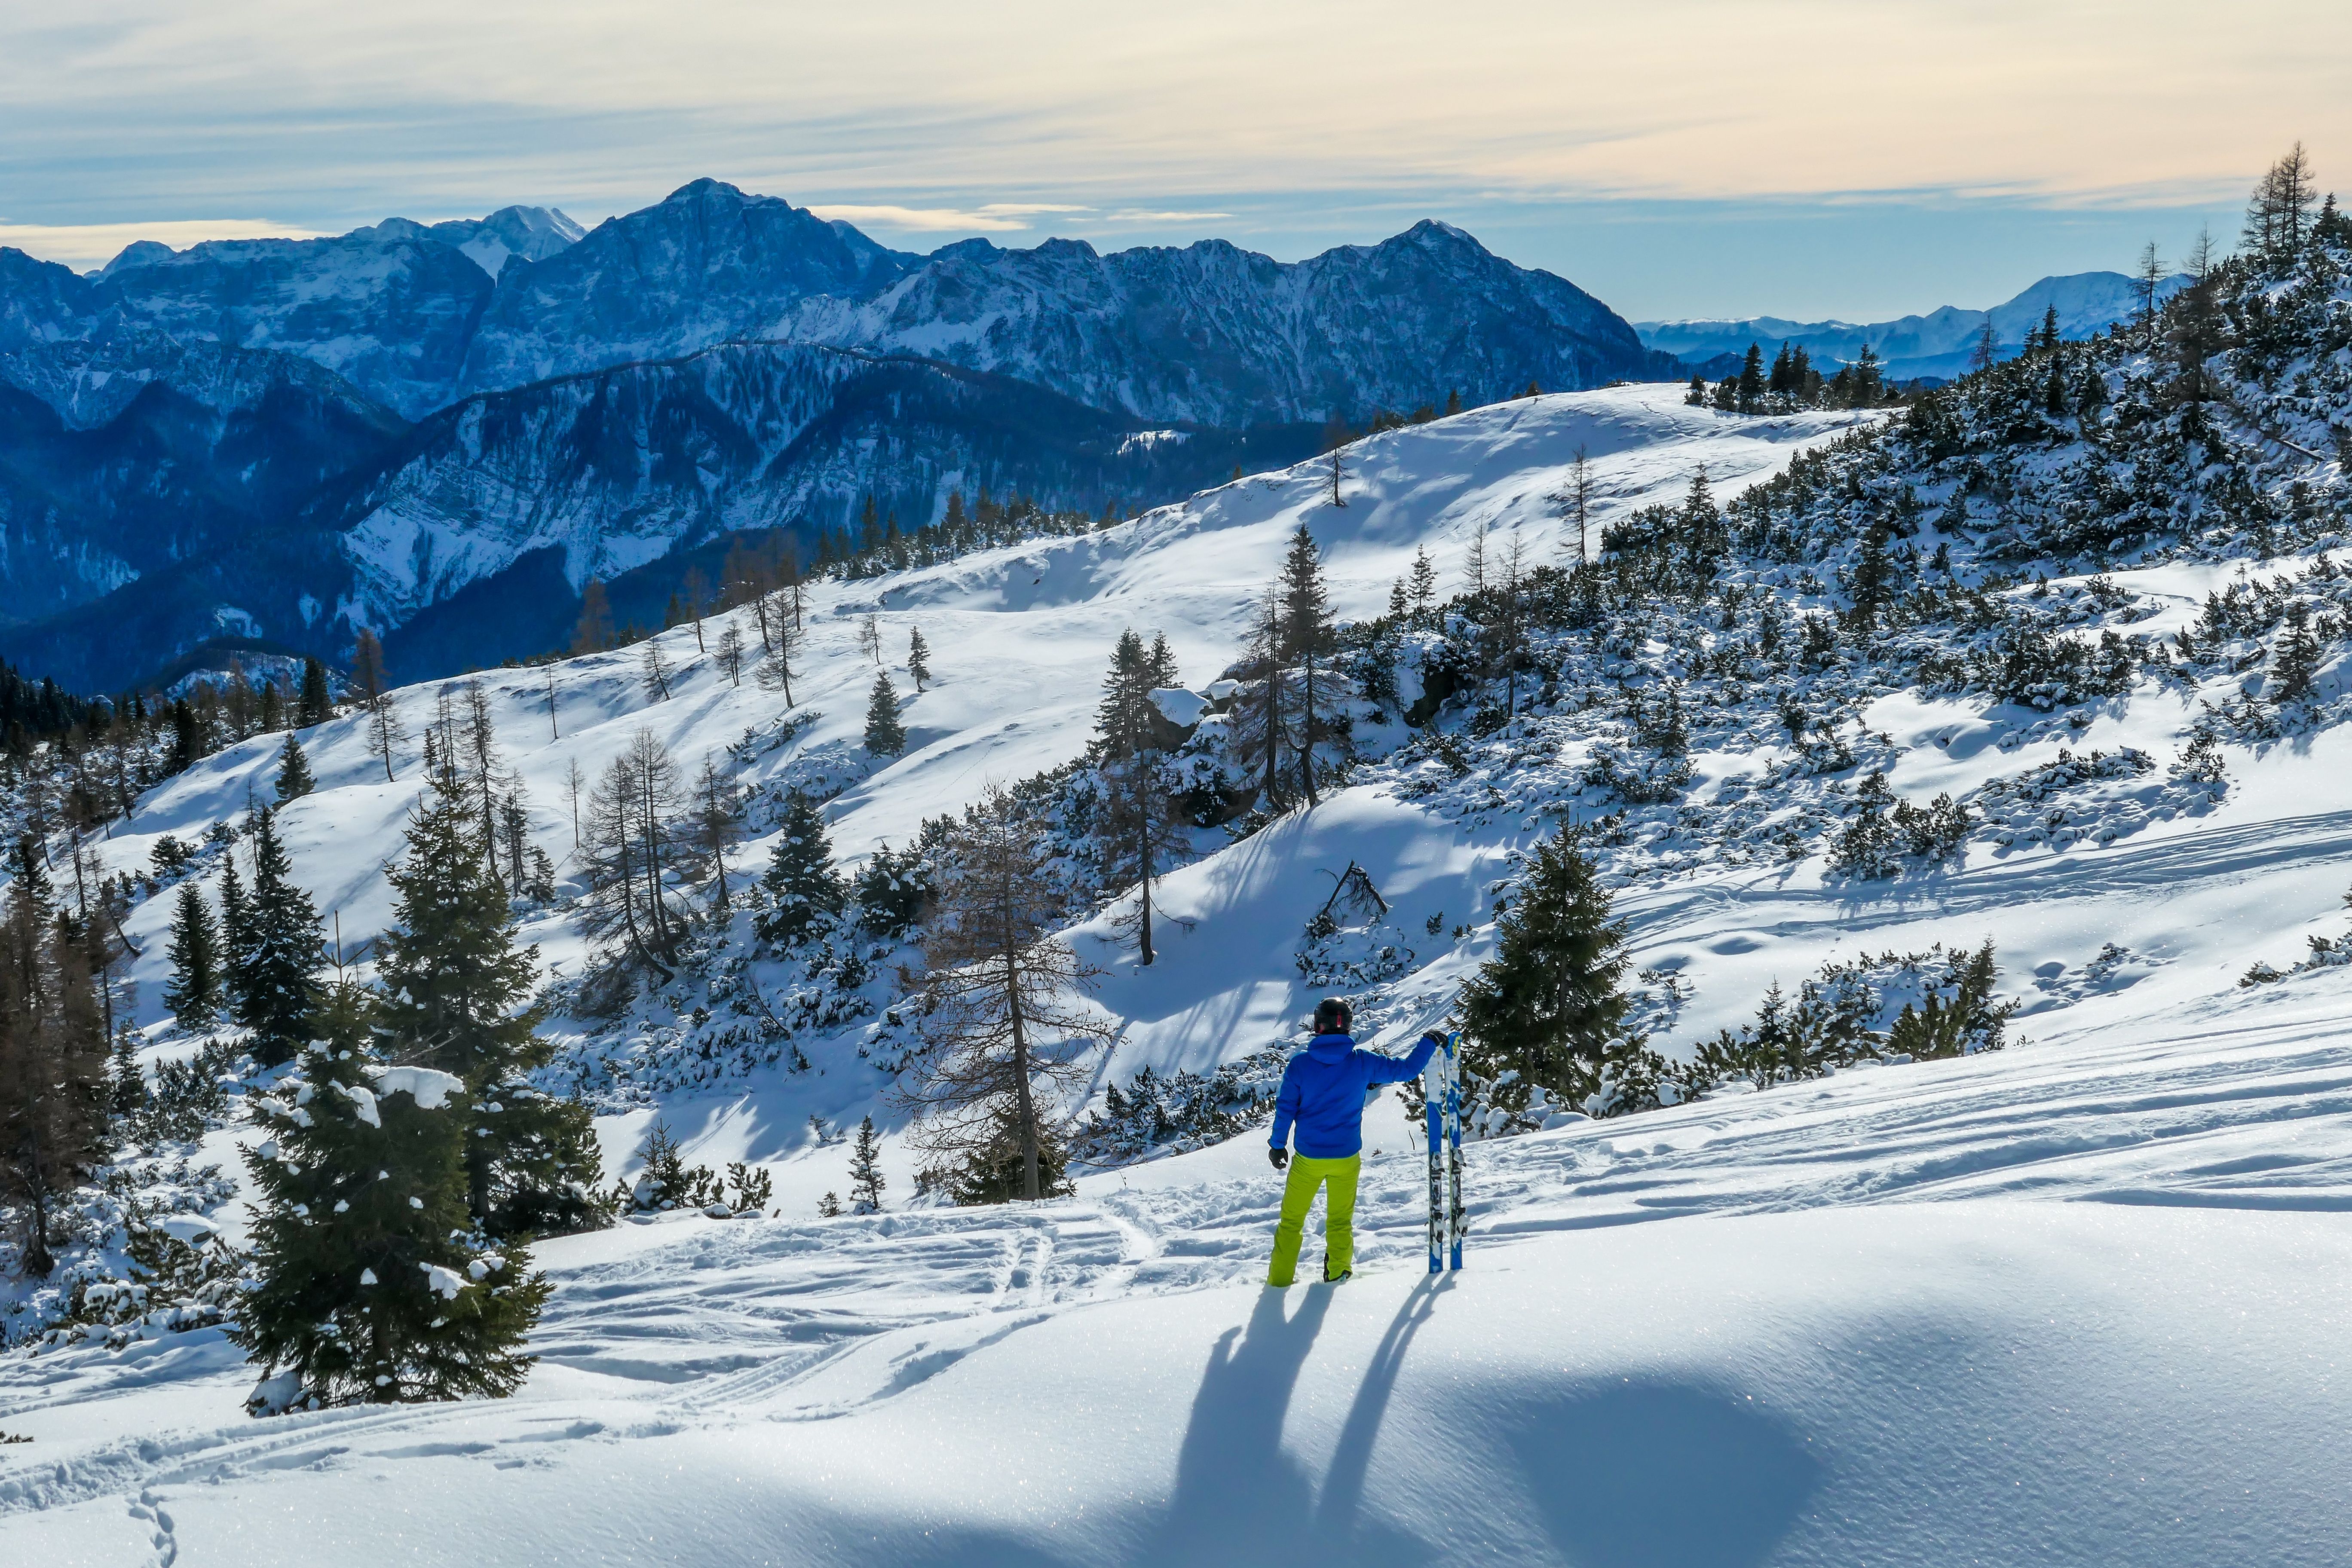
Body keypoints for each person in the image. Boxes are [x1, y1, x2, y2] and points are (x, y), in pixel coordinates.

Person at [1265, 997, 1442, 1286]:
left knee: (1292, 1222)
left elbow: (1286, 1109)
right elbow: (1408, 1070)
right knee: (1339, 1220)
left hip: (1308, 1159)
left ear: (1317, 1025)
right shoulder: (1362, 1062)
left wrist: (1277, 1145)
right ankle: (1337, 1272)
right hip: (1346, 1158)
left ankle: (1279, 1282)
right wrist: (1428, 1042)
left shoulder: (1301, 1065)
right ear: (1347, 1025)